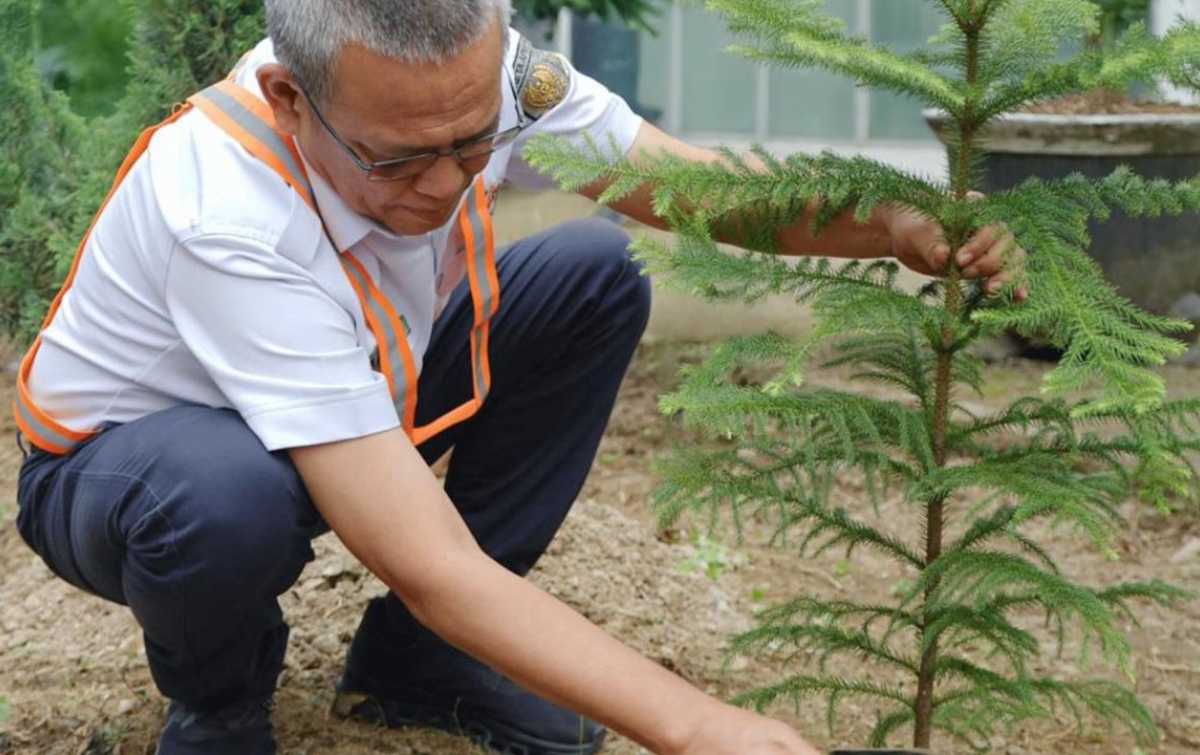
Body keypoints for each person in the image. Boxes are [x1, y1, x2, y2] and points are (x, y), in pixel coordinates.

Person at [12, 1, 1021, 754]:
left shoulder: (482, 78)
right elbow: (428, 557)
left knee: (593, 269)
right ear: (290, 96)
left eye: (475, 144)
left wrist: (887, 221)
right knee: (222, 494)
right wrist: (703, 728)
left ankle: (417, 660)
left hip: (352, 382)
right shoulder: (224, 211)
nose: (451, 183)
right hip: (129, 473)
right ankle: (218, 703)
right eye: (404, 161)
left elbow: (682, 186)